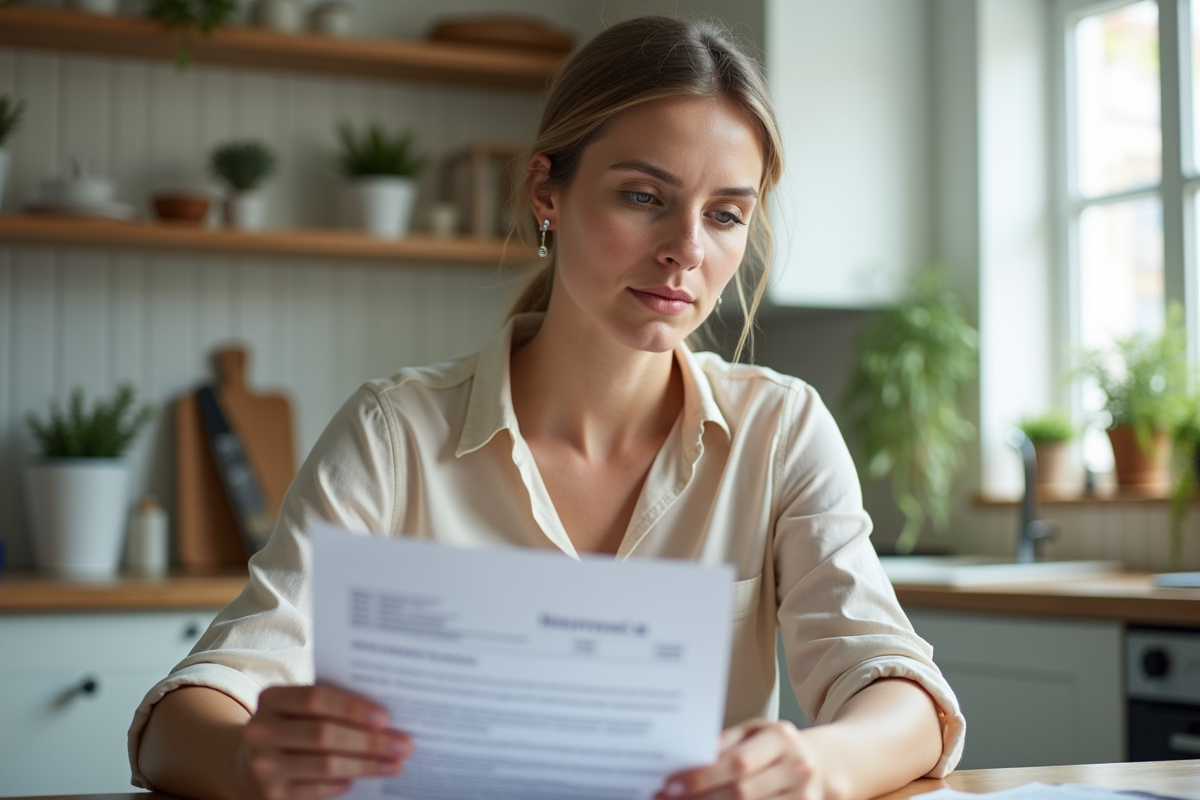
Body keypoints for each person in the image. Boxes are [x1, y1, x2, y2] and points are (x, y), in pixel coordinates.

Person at [131, 14, 965, 800]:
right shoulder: (395, 435)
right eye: (643, 196)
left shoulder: (780, 431)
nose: (686, 248)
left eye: (725, 215)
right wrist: (252, 758)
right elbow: (182, 719)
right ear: (547, 193)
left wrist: (815, 761)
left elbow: (901, 695)